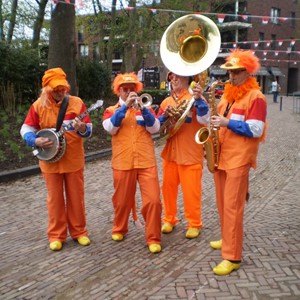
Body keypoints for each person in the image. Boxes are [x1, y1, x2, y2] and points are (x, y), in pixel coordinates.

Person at [20, 67, 92, 251]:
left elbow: (88, 131)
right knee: (55, 199)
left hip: (73, 160)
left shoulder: (77, 103)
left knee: (76, 197)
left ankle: (79, 232)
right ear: (47, 89)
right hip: (49, 162)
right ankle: (56, 235)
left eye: (62, 88)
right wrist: (34, 140)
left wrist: (82, 127)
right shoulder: (38, 105)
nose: (60, 92)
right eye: (55, 89)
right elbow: (26, 128)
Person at [209, 49, 267, 275]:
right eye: (229, 72)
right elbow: (216, 118)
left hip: (239, 159)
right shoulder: (227, 95)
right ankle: (226, 238)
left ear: (247, 72)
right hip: (222, 156)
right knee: (223, 204)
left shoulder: (257, 98)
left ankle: (232, 256)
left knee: (233, 207)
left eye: (236, 72)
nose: (231, 77)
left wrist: (226, 123)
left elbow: (256, 129)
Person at [102, 72, 162, 253]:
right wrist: (124, 108)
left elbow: (156, 128)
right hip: (123, 161)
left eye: (132, 89)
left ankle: (153, 237)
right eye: (125, 89)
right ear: (118, 91)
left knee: (153, 201)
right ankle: (119, 227)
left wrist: (143, 109)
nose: (129, 93)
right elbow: (110, 128)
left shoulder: (145, 108)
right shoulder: (111, 111)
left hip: (145, 161)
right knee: (121, 200)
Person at [157, 72, 210, 239]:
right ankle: (169, 219)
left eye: (177, 76)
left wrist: (200, 100)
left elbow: (205, 119)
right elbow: (159, 126)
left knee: (191, 191)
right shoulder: (167, 101)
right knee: (168, 189)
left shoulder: (195, 98)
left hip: (190, 152)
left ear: (187, 79)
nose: (173, 80)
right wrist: (165, 116)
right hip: (171, 153)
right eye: (171, 78)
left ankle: (194, 223)